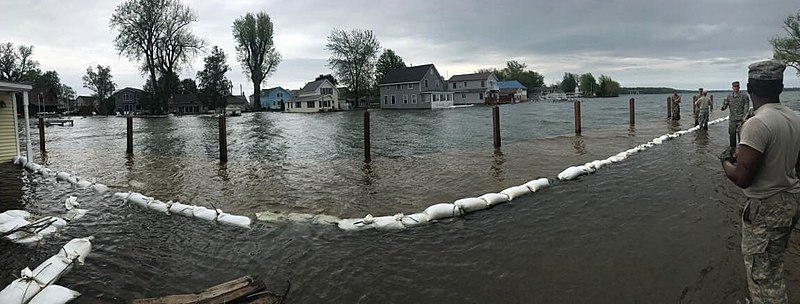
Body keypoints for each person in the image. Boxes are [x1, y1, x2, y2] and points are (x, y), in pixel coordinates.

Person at [721, 59, 800, 304]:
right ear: (781, 86)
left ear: (749, 87)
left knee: (761, 273)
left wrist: (724, 161)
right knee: (773, 264)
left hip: (766, 207)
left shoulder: (756, 123)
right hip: (790, 201)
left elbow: (742, 178)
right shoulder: (794, 117)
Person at [721, 81, 751, 149]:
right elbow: (725, 106)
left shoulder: (744, 96)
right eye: (735, 86)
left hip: (741, 119)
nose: (736, 88)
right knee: (732, 135)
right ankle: (732, 149)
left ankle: (741, 150)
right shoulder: (729, 97)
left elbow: (746, 106)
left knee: (741, 135)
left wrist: (744, 116)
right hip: (732, 119)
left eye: (737, 86)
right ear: (732, 87)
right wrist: (723, 107)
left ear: (739, 87)